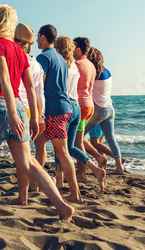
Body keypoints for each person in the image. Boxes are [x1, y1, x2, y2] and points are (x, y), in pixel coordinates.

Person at [0, 5, 74, 221]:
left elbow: (5, 80)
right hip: (20, 106)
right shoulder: (20, 50)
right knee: (28, 164)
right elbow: (29, 88)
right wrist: (34, 117)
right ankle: (62, 206)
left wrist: (11, 114)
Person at [36, 25, 105, 198]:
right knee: (49, 145)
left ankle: (73, 191)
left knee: (63, 151)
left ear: (43, 37)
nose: (37, 40)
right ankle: (43, 181)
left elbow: (39, 85)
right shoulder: (67, 62)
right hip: (73, 106)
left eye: (38, 37)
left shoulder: (45, 58)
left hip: (56, 109)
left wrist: (39, 112)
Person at [13, 23, 46, 200]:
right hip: (28, 109)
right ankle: (24, 195)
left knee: (22, 159)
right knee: (25, 157)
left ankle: (24, 196)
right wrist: (40, 116)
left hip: (14, 107)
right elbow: (40, 95)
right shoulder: (36, 65)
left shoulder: (13, 59)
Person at [84, 47, 125, 175]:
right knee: (111, 139)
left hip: (99, 110)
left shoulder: (94, 74)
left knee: (77, 136)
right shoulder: (107, 72)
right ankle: (119, 167)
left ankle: (94, 158)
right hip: (110, 109)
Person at [73, 37, 107, 183]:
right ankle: (99, 157)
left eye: (73, 48)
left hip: (80, 105)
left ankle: (82, 174)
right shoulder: (91, 65)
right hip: (89, 105)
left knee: (78, 142)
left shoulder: (77, 65)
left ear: (78, 49)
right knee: (78, 139)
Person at [53, 36, 80, 188]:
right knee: (67, 149)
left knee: (60, 148)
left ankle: (59, 180)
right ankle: (94, 168)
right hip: (76, 106)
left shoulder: (60, 65)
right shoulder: (75, 66)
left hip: (65, 105)